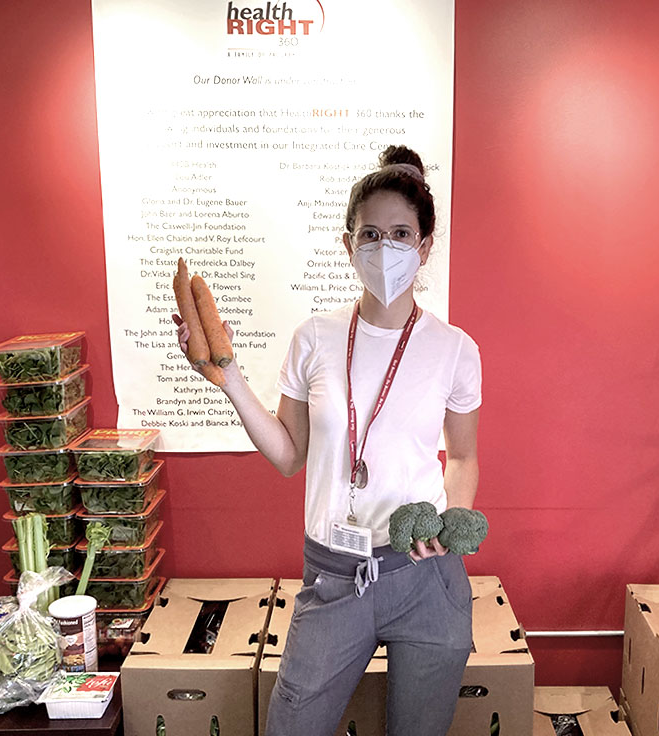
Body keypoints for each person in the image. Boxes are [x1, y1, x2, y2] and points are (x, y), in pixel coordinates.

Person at [173, 145, 482, 736]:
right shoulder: (314, 338)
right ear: (348, 244)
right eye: (370, 233)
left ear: (424, 247)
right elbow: (290, 456)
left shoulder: (455, 350)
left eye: (400, 233)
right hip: (334, 577)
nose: (384, 247)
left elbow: (463, 456)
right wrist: (228, 378)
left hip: (425, 578)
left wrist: (453, 522)